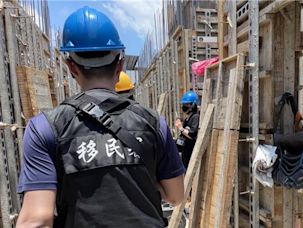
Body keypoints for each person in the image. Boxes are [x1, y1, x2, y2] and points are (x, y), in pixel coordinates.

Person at [16, 6, 184, 228]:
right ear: (121, 64)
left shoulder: (45, 128)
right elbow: (176, 196)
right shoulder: (154, 123)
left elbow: (37, 220)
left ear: (71, 66)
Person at [175, 90, 200, 169]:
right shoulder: (188, 117)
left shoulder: (195, 117)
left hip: (190, 151)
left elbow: (192, 135)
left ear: (193, 105)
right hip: (185, 150)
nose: (184, 106)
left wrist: (181, 128)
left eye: (186, 104)